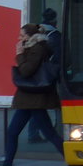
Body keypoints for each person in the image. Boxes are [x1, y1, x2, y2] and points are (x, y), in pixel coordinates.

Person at [0, 23, 82, 166]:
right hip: (30, 98)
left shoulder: (38, 48)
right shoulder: (35, 47)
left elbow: (26, 71)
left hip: (35, 98)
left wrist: (19, 54)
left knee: (48, 133)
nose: (19, 39)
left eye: (22, 36)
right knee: (14, 133)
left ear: (31, 37)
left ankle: (74, 164)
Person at [28, 9, 62, 143]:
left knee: (36, 106)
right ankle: (55, 132)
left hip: (36, 75)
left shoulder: (35, 34)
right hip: (50, 75)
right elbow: (59, 57)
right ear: (55, 20)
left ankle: (34, 133)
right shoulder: (56, 35)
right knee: (53, 104)